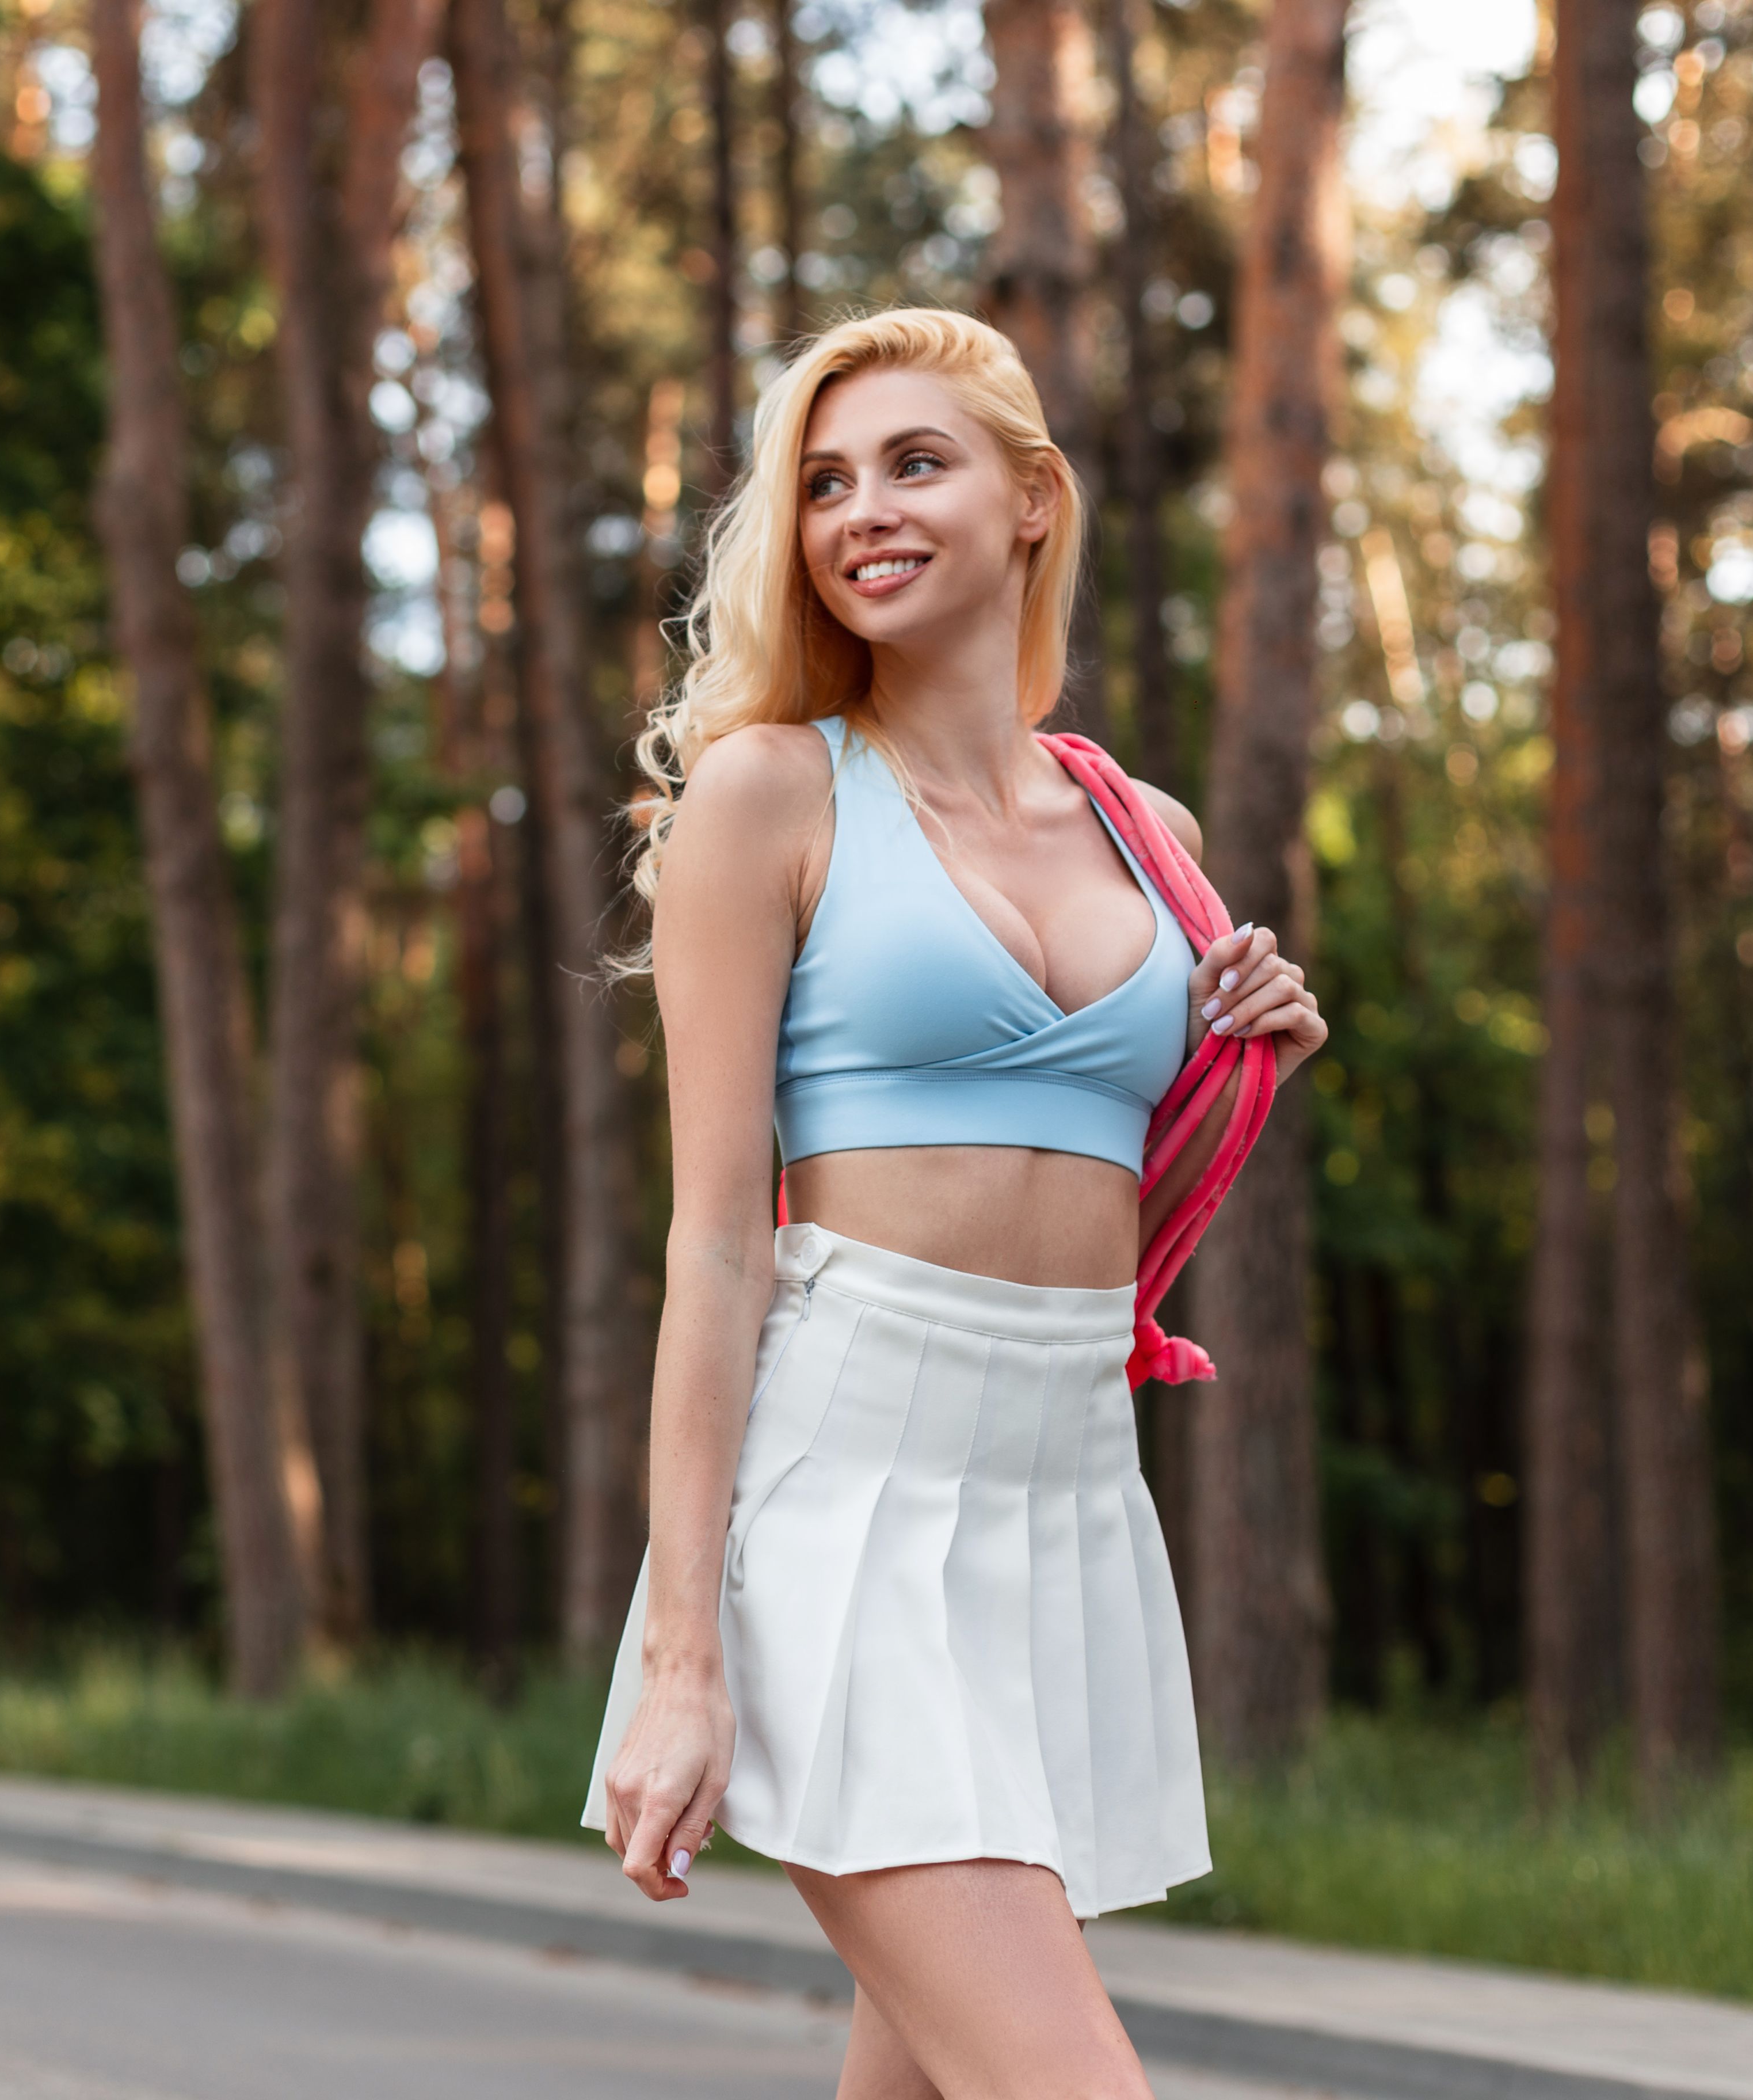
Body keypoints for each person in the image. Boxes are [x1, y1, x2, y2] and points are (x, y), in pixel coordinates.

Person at [584, 305, 1329, 2098]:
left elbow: (1100, 1179)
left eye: (916, 463)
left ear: (1034, 502)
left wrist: (1249, 1056)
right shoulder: (770, 795)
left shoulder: (1141, 826)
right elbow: (710, 1242)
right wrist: (685, 1650)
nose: (862, 511)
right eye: (824, 483)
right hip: (848, 1486)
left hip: (1061, 1491)